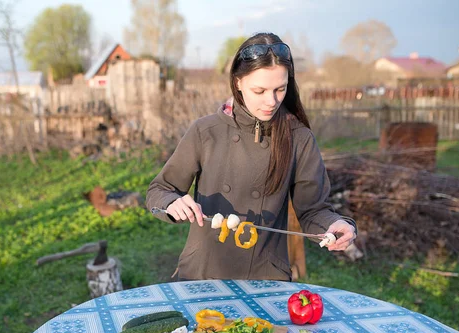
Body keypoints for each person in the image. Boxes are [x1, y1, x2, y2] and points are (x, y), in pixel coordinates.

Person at [145, 32, 357, 281]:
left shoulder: (299, 138)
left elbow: (313, 209)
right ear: (238, 83)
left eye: (280, 89)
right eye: (260, 90)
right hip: (201, 273)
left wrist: (334, 225)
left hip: (266, 277)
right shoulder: (205, 132)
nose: (272, 101)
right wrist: (172, 203)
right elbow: (159, 190)